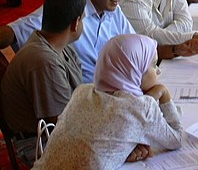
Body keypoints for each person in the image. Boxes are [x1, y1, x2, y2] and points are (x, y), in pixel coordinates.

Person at [0, 0, 198, 82]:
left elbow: (136, 48)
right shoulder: (68, 9)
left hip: (116, 89)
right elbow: (12, 32)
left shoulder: (113, 10)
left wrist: (176, 49)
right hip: (86, 100)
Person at [33, 34, 183, 169]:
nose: (158, 70)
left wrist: (124, 150)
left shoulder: (82, 91)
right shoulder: (141, 108)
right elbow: (176, 139)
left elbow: (97, 138)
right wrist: (163, 93)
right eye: (153, 64)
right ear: (134, 70)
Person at [1, 0, 85, 165]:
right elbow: (63, 124)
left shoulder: (60, 46)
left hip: (62, 129)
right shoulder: (44, 61)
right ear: (75, 24)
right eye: (83, 19)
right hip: (40, 143)